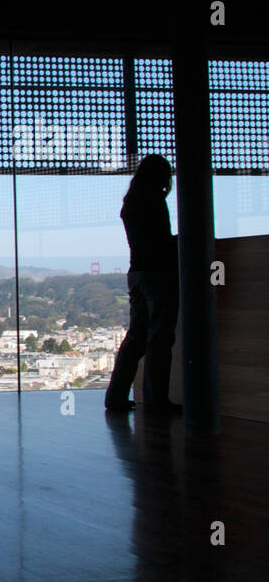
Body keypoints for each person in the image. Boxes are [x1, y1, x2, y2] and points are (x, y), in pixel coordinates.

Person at [104, 154, 181, 414]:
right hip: (159, 274)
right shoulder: (155, 201)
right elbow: (161, 242)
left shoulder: (131, 204)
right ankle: (157, 400)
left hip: (136, 272)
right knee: (159, 339)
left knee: (136, 337)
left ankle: (116, 396)